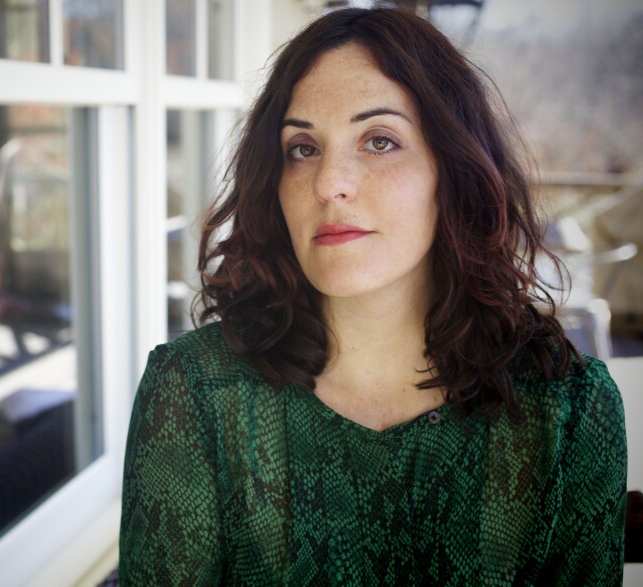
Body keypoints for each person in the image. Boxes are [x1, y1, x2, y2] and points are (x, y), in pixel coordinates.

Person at [119, 7, 627, 585]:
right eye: (302, 148)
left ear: (452, 169)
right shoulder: (195, 392)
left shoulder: (570, 411)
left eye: (380, 141)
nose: (329, 181)